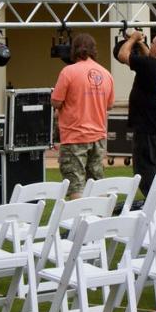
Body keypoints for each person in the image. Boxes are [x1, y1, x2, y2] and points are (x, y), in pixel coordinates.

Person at [52, 33, 115, 199]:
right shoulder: (106, 74)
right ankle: (99, 220)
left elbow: (56, 102)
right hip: (98, 137)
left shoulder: (68, 72)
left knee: (75, 184)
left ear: (73, 50)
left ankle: (79, 223)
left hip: (74, 136)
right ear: (94, 50)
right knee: (97, 183)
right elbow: (109, 105)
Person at [116, 30, 156, 198]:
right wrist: (142, 43)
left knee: (146, 169)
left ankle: (154, 203)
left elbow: (122, 55)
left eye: (153, 44)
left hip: (149, 127)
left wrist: (134, 39)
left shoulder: (148, 66)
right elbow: (149, 56)